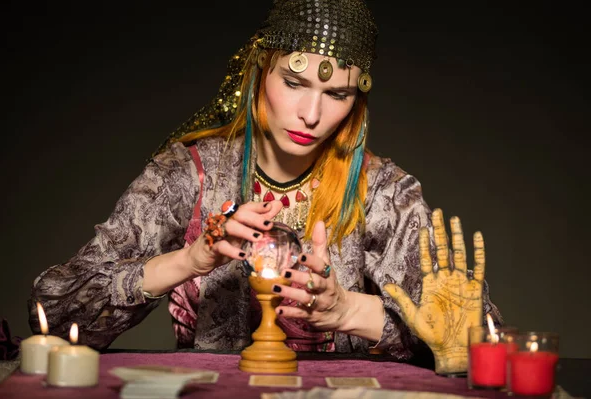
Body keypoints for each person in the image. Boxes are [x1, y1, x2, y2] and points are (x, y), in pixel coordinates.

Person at [28, 0, 502, 374]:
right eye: (294, 83)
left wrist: (346, 311)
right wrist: (189, 261)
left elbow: (474, 338)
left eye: (337, 94)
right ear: (259, 73)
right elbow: (53, 312)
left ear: (356, 101)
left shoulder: (382, 192)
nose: (312, 115)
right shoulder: (188, 174)